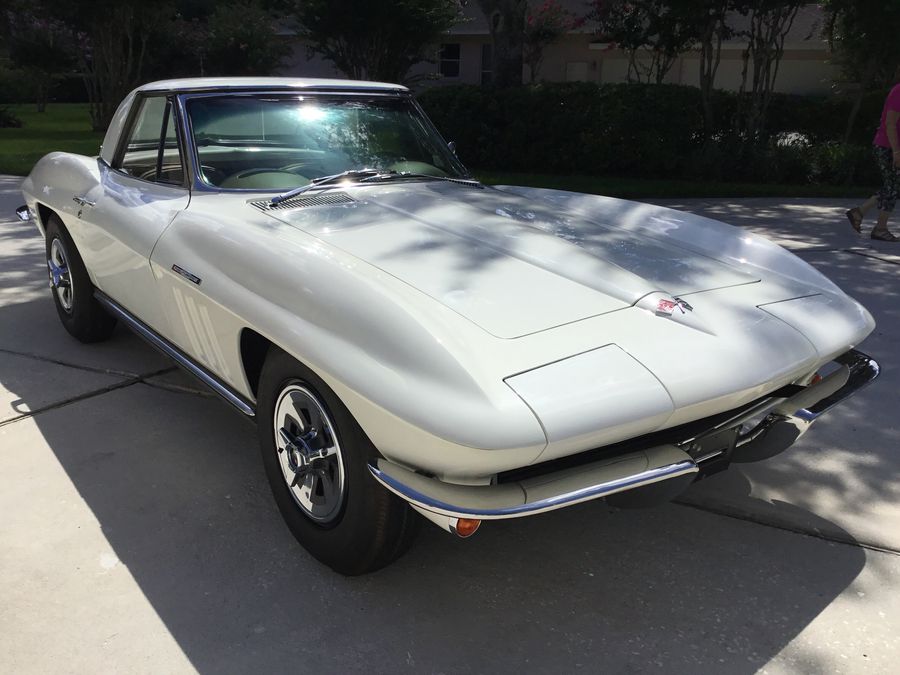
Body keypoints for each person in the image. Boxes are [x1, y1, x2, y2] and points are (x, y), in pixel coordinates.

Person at [846, 66, 900, 242]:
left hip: (893, 147)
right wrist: (896, 151)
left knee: (892, 186)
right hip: (886, 146)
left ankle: (860, 213)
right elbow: (890, 124)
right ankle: (879, 228)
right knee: (893, 187)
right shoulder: (898, 92)